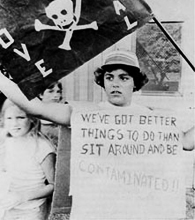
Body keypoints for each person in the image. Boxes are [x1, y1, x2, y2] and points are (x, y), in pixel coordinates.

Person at [0, 49, 194, 218]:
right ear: (102, 81)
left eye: (123, 77)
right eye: (109, 77)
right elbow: (36, 108)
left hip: (135, 207)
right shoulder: (86, 114)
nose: (115, 83)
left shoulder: (150, 117)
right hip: (98, 208)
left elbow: (186, 141)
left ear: (135, 82)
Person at [0, 99, 56, 220]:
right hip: (7, 207)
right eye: (9, 118)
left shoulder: (42, 146)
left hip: (32, 209)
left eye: (20, 117)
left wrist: (22, 196)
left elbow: (53, 185)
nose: (14, 123)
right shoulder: (6, 141)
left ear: (32, 119)